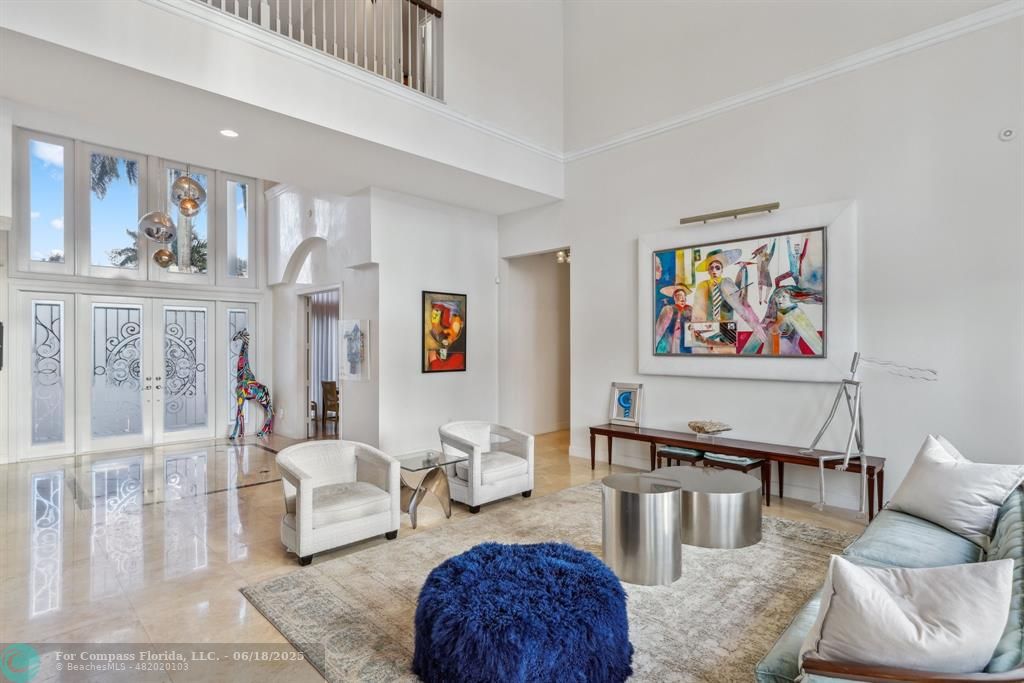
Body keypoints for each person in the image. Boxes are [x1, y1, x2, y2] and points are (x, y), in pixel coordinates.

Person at [655, 282, 692, 354]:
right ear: (674, 298)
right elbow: (659, 329)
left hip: (686, 342)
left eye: (684, 296)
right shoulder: (668, 309)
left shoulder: (690, 309)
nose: (682, 298)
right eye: (679, 295)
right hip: (671, 341)